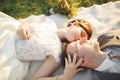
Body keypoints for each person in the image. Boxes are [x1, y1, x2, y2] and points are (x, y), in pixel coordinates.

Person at [0, 13, 92, 80]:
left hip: (10, 56)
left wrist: (64, 77)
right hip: (8, 34)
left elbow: (37, 78)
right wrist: (22, 28)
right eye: (81, 34)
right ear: (75, 24)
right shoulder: (49, 23)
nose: (78, 39)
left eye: (80, 41)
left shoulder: (56, 54)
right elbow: (26, 24)